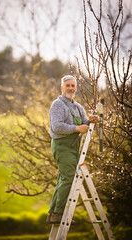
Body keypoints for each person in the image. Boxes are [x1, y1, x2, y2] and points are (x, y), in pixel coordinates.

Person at [46, 75, 99, 224]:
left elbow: (85, 123)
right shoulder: (57, 105)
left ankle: (53, 214)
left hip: (73, 148)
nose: (70, 88)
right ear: (62, 88)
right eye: (67, 85)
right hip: (62, 146)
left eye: (73, 86)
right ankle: (58, 213)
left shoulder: (77, 107)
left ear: (76, 88)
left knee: (64, 178)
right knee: (68, 177)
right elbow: (56, 126)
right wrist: (77, 128)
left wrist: (92, 120)